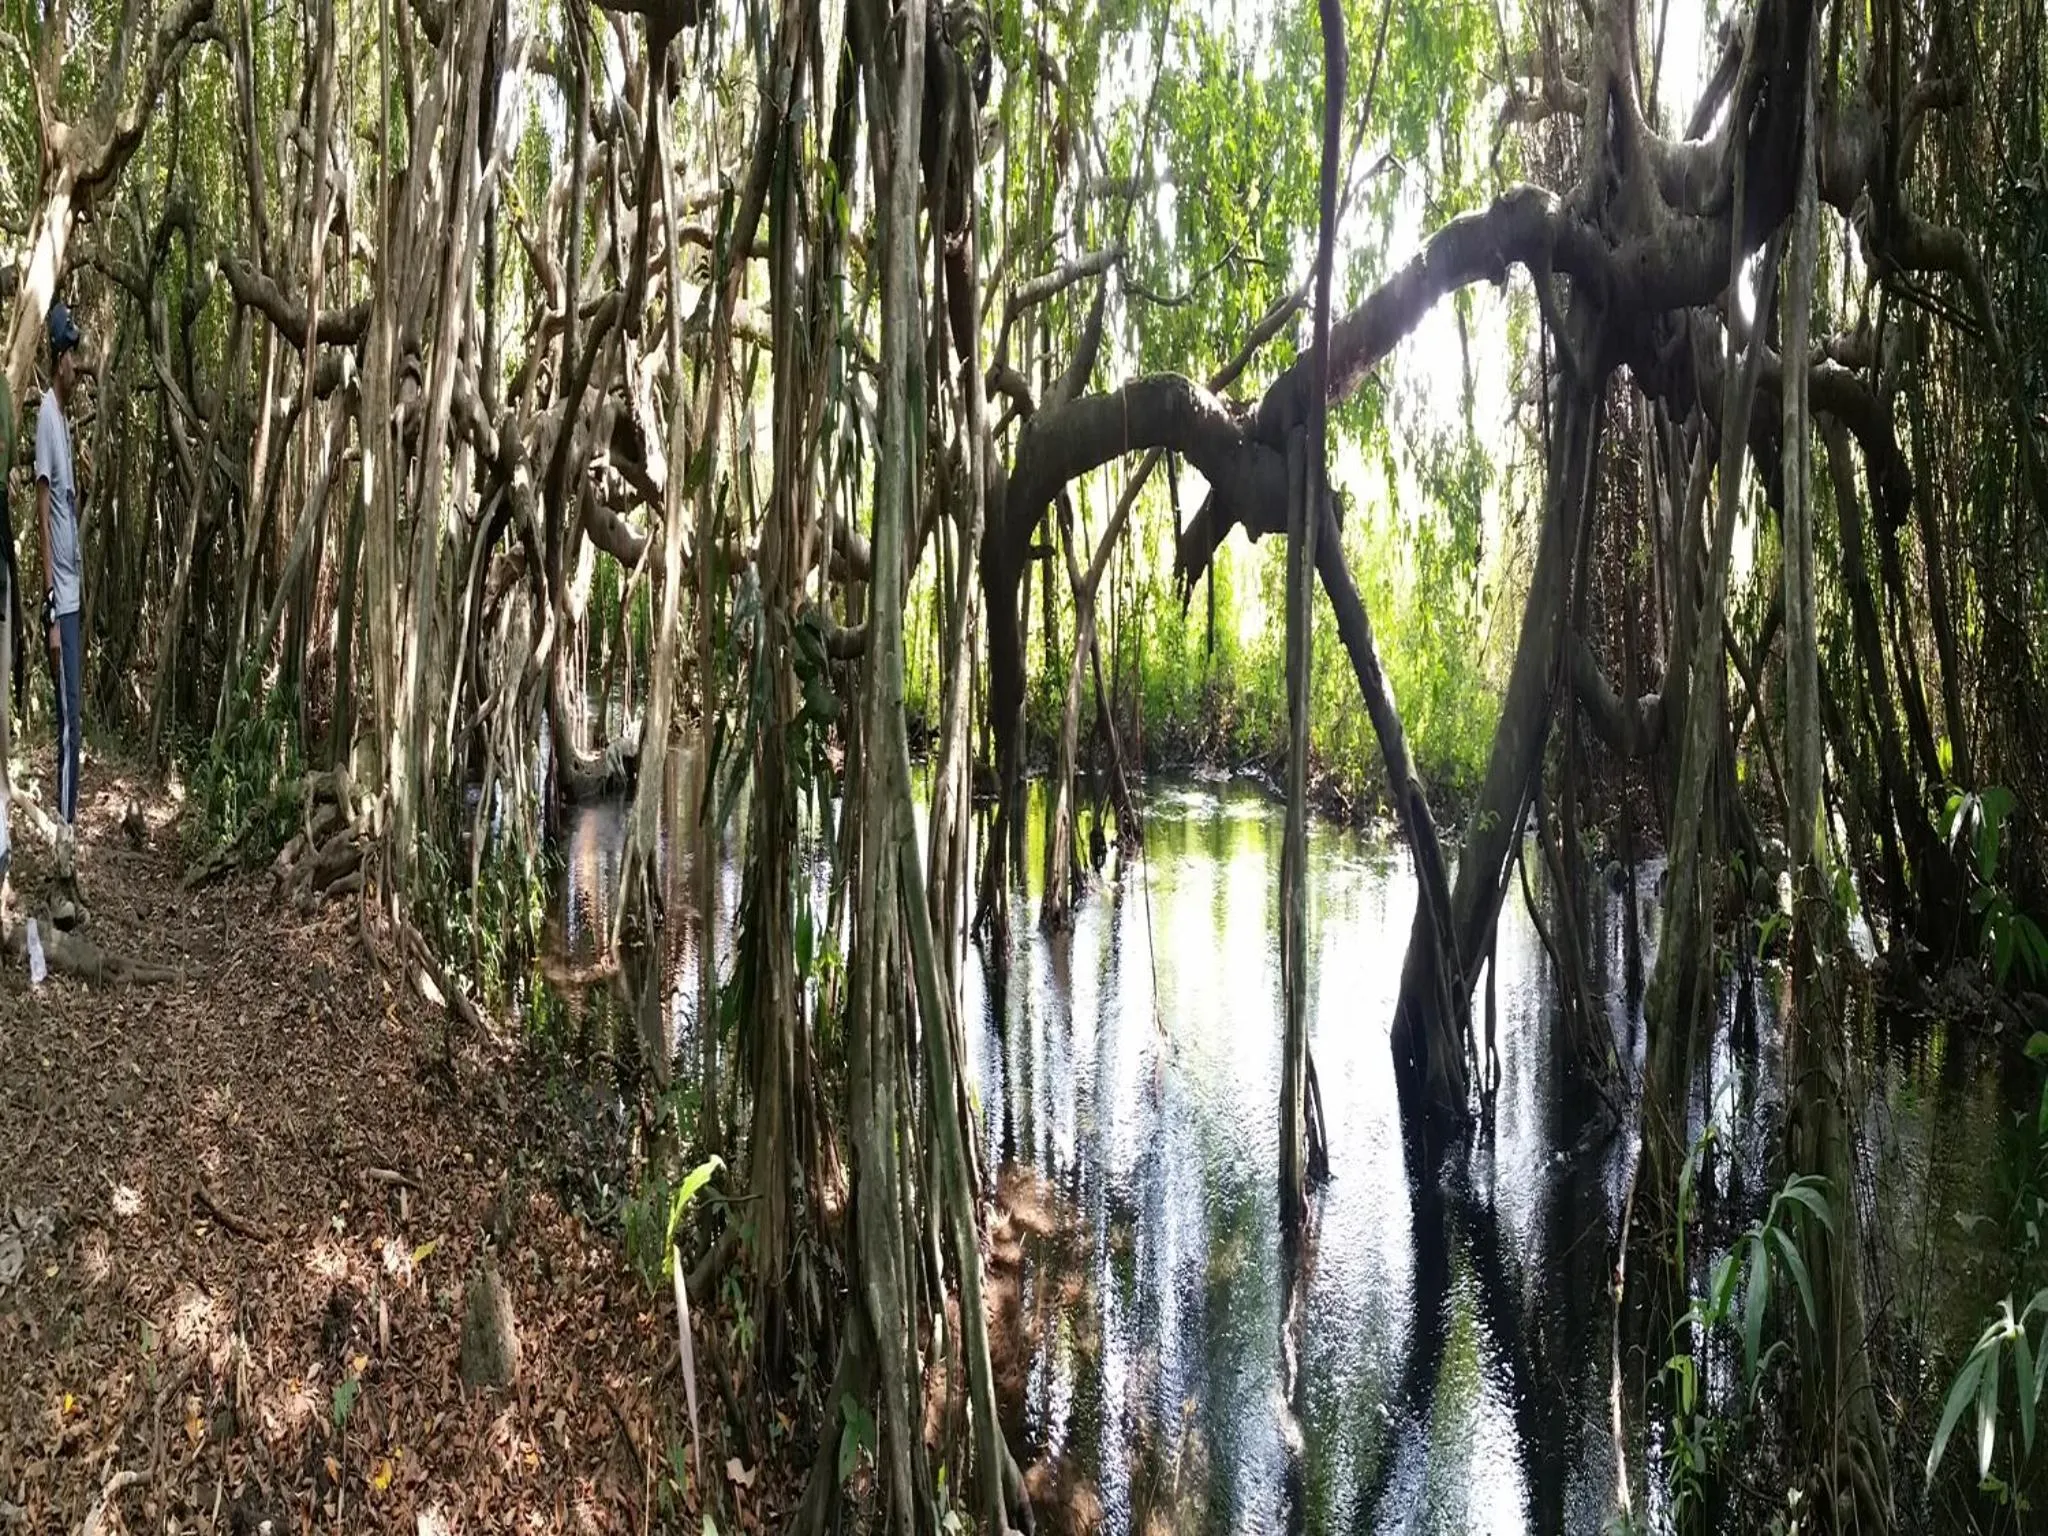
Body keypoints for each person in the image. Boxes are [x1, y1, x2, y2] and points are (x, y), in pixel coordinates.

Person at [37, 302, 84, 833]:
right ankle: (66, 841)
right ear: (58, 359)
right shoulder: (47, 417)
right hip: (61, 601)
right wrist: (50, 609)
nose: (78, 364)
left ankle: (65, 836)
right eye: (72, 353)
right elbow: (43, 511)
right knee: (70, 726)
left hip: (73, 595)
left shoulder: (63, 420)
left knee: (74, 721)